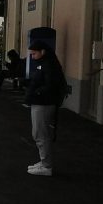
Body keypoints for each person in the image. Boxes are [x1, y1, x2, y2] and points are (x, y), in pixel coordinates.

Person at [25, 40, 67, 177]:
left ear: (43, 51)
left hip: (43, 103)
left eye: (34, 53)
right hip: (41, 102)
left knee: (40, 134)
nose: (32, 57)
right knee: (39, 133)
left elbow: (50, 85)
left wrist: (36, 92)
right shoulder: (45, 63)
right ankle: (44, 161)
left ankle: (46, 165)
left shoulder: (48, 65)